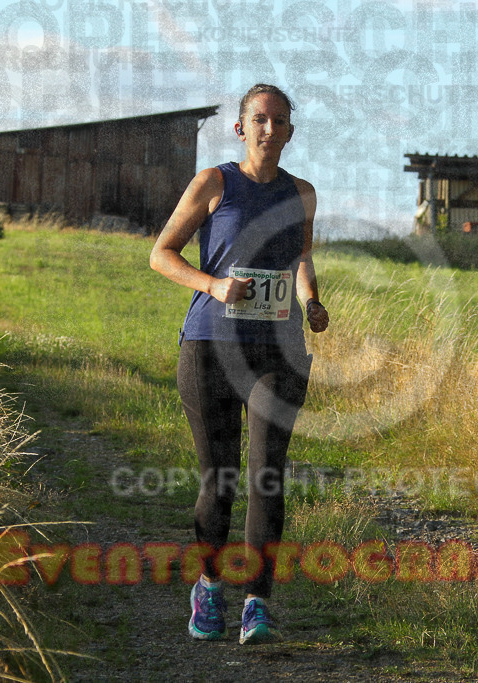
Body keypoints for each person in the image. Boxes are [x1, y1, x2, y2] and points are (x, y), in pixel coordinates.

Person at [149, 84, 329, 645]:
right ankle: (208, 585)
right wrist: (214, 285)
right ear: (241, 127)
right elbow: (161, 253)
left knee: (267, 475)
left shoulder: (302, 193)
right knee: (220, 478)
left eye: (279, 121)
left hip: (279, 350)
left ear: (290, 133)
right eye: (259, 119)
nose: (269, 129)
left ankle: (257, 602)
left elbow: (300, 258)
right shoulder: (213, 183)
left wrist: (312, 301)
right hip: (210, 345)